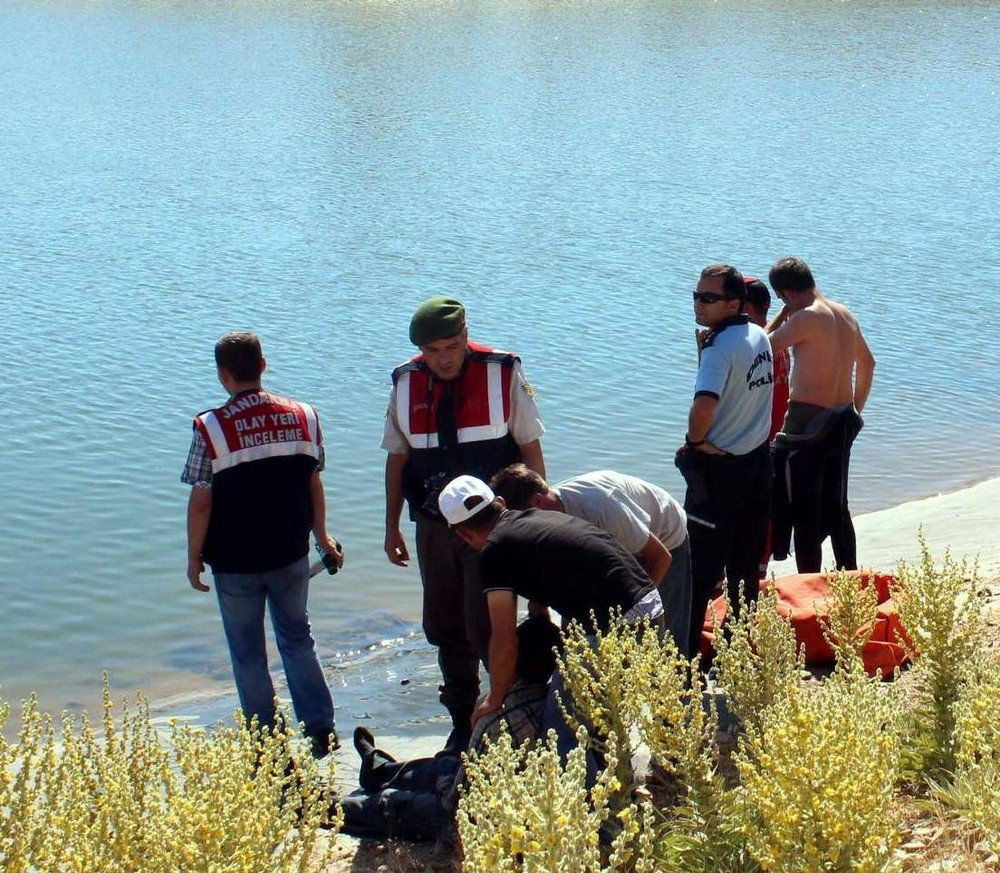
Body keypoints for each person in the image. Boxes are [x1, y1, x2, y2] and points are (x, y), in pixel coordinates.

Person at [381, 297, 546, 754]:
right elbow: (398, 459)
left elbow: (530, 448)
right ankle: (461, 718)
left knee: (490, 625)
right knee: (445, 623)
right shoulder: (405, 381)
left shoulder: (504, 370)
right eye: (432, 350)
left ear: (465, 335)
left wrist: (539, 514)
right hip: (434, 524)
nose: (444, 358)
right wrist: (391, 525)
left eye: (451, 346)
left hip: (494, 524)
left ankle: (506, 711)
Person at [183, 331, 341, 757]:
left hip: (234, 562)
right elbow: (313, 481)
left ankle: (264, 741)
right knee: (297, 638)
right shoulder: (305, 416)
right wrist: (321, 537)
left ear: (222, 375)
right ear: (263, 365)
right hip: (290, 552)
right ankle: (321, 728)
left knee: (248, 652)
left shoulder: (211, 427)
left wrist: (193, 556)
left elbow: (201, 499)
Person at [436, 475, 662, 729]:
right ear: (499, 501)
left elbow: (503, 637)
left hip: (621, 624)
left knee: (564, 725)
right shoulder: (537, 519)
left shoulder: (495, 550)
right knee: (599, 719)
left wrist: (495, 698)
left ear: (464, 534)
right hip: (650, 605)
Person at [335, 616, 561, 845]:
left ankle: (328, 805)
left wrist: (444, 783)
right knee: (443, 767)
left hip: (470, 816)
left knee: (393, 803)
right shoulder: (555, 702)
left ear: (510, 657)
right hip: (496, 793)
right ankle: (377, 769)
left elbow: (456, 799)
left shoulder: (497, 715)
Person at [489, 464, 693, 656]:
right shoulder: (548, 522)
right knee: (580, 632)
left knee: (664, 638)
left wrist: (633, 612)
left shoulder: (601, 508)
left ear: (538, 502)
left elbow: (660, 557)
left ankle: (677, 688)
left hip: (662, 540)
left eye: (522, 521)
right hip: (612, 548)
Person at [676, 264, 773, 659]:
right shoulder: (759, 335)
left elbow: (704, 407)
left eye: (708, 298)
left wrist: (694, 444)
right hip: (757, 462)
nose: (699, 304)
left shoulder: (719, 348)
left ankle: (686, 665)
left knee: (696, 574)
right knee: (745, 569)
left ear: (734, 302)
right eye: (696, 296)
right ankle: (738, 657)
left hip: (720, 474)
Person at [766, 257, 876, 573]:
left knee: (804, 511)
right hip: (842, 420)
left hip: (805, 423)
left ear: (784, 293)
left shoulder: (805, 318)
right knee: (837, 506)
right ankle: (850, 575)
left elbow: (761, 348)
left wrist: (781, 316)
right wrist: (856, 409)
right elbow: (868, 364)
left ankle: (808, 585)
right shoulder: (844, 314)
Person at [744, 276, 791, 579]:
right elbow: (768, 330)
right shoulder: (775, 343)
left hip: (758, 442)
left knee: (752, 512)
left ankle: (753, 576)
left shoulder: (753, 346)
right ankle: (758, 570)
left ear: (744, 307)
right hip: (777, 437)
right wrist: (786, 313)